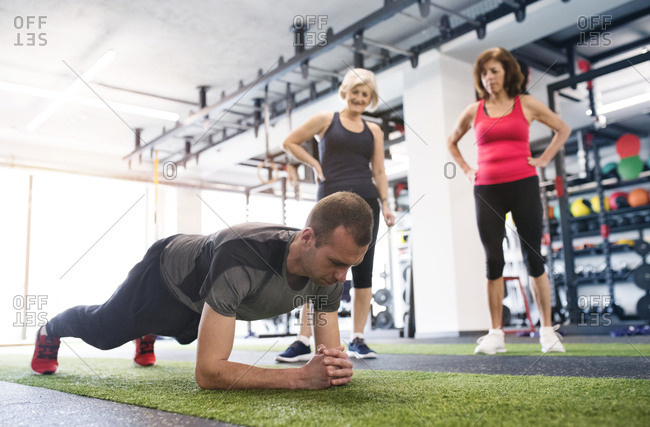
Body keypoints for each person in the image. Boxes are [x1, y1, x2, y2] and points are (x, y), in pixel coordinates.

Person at [31, 191, 373, 390]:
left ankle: (151, 329)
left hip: (201, 301)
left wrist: (332, 368)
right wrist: (300, 377)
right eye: (336, 263)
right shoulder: (242, 257)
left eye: (350, 266)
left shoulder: (331, 272)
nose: (342, 278)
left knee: (185, 334)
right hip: (166, 278)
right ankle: (50, 330)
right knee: (104, 331)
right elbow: (208, 373)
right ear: (308, 238)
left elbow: (327, 355)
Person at [446, 47, 571, 354]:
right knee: (494, 261)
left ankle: (546, 331)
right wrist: (466, 169)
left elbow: (562, 128)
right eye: (484, 73)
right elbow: (451, 141)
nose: (489, 78)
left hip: (524, 184)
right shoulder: (473, 110)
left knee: (533, 257)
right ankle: (496, 334)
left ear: (507, 73)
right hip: (487, 188)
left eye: (495, 71)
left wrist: (542, 160)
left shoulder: (525, 104)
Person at [278, 68, 395, 362]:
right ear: (346, 91)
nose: (359, 97)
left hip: (367, 202)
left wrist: (387, 203)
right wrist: (314, 164)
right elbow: (289, 142)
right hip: (329, 202)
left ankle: (357, 338)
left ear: (371, 99)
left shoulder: (375, 130)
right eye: (355, 91)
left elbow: (379, 171)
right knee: (314, 266)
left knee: (363, 269)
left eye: (365, 94)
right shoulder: (325, 120)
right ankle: (303, 340)